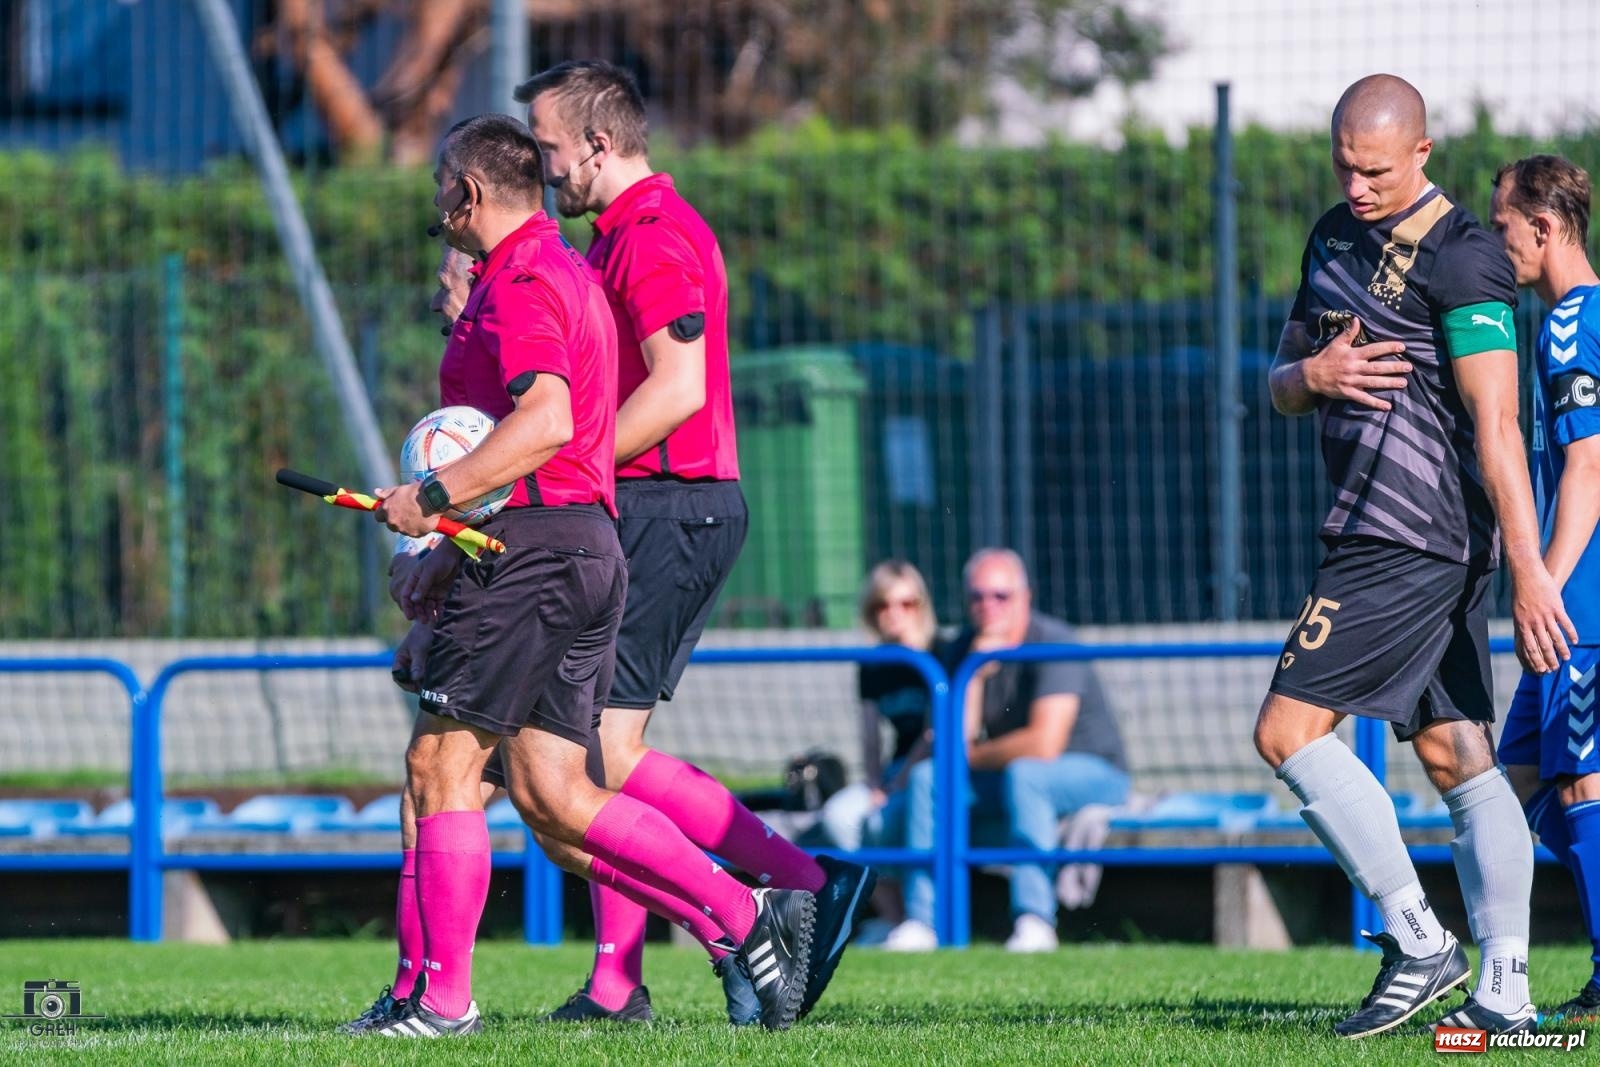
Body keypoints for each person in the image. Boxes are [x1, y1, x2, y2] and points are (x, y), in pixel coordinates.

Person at [361, 113, 816, 1037]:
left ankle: (440, 1001)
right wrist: (451, 549)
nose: (436, 200)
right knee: (555, 793)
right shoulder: (560, 268)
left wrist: (431, 497)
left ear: (469, 192)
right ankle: (744, 913)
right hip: (577, 545)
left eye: (441, 181)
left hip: (537, 551)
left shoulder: (526, 278)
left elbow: (546, 427)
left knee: (440, 765)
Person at [513, 59, 872, 1025]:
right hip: (654, 504)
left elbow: (677, 390)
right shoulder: (613, 238)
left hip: (676, 505)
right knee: (596, 758)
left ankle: (796, 886)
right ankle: (635, 973)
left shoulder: (656, 234)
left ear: (598, 142)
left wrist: (566, 465)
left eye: (549, 146)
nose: (545, 168)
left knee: (598, 757)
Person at [1255, 75, 1571, 1039]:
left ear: (1423, 152)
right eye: (1344, 165)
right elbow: (1278, 383)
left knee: (1286, 732)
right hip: (1370, 525)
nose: (1356, 185)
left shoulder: (1467, 257)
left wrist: (1527, 567)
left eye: (1376, 171)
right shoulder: (1331, 236)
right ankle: (1506, 993)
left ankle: (1418, 940)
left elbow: (1498, 425)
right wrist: (1312, 375)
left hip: (1413, 534)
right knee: (1457, 755)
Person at [882, 548, 1129, 954]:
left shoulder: (1054, 642)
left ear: (1025, 597)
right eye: (977, 597)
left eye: (1000, 596)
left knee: (1026, 774)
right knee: (928, 780)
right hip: (1011, 774)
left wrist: (969, 758)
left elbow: (1044, 744)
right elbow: (948, 742)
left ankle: (1034, 920)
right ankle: (922, 922)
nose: (988, 606)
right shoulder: (964, 648)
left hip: (1096, 772)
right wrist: (974, 675)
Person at [1489, 155, 1600, 1020]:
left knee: (1580, 783)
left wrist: (1545, 590)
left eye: (1503, 225)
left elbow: (1587, 466)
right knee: (1518, 775)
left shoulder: (1568, 326)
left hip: (1580, 602)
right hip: (1577, 595)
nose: (1499, 241)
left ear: (1543, 226)